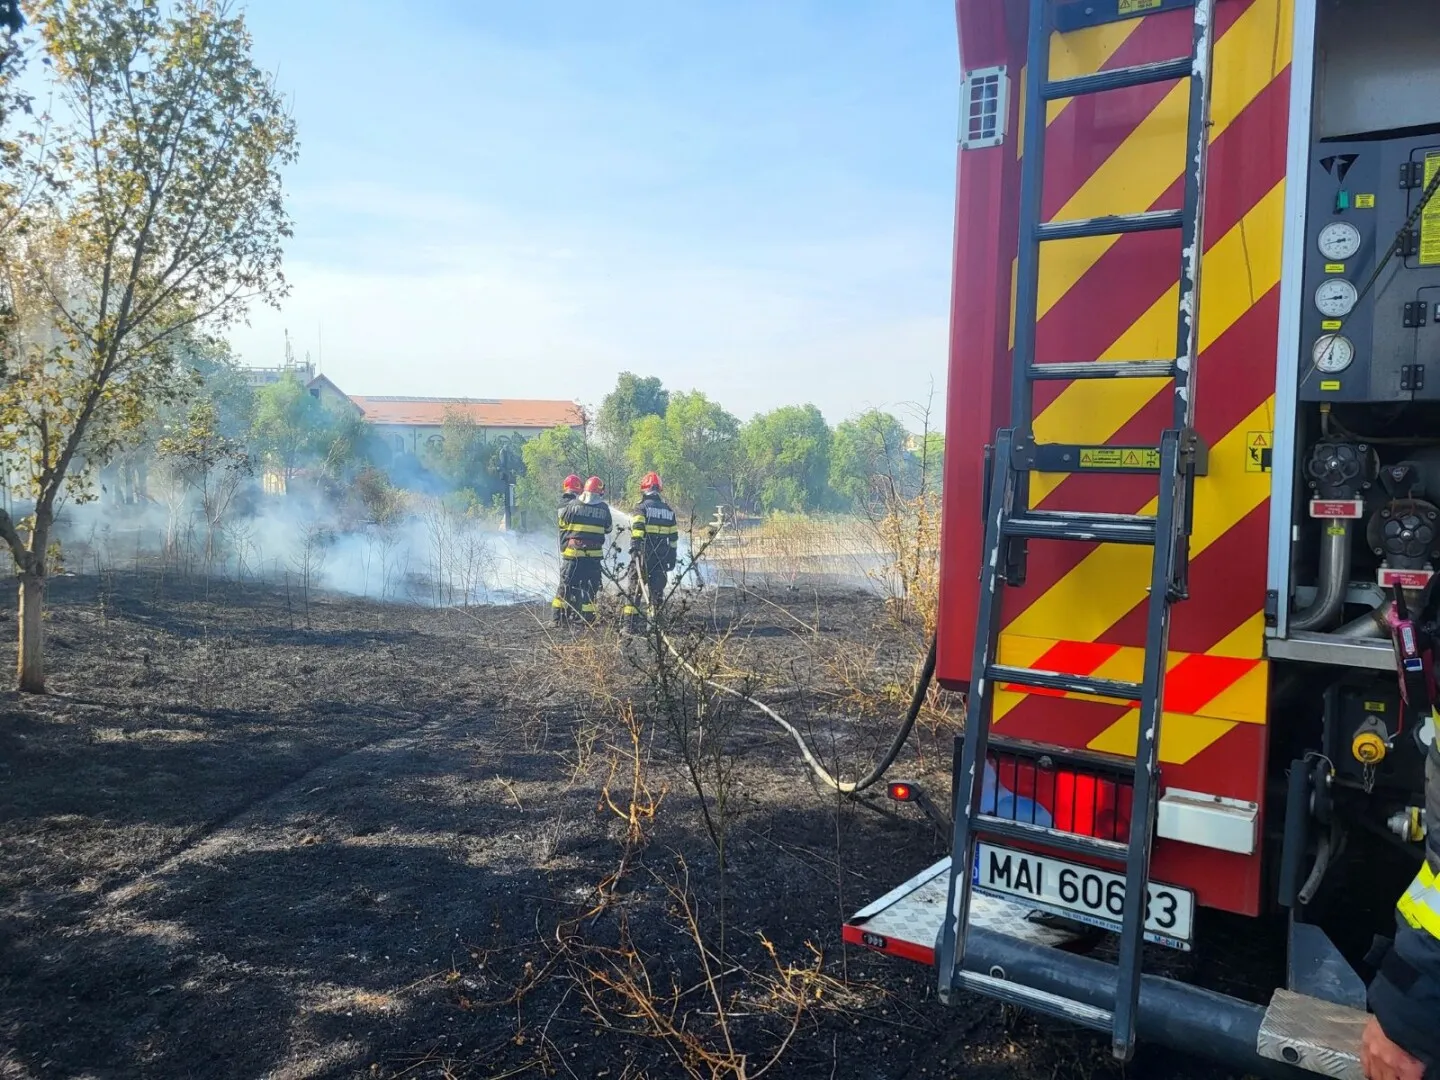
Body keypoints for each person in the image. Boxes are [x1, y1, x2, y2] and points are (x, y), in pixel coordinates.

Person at [624, 471, 678, 633]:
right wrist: (672, 556)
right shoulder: (669, 511)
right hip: (661, 558)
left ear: (644, 489)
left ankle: (629, 626)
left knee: (635, 590)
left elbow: (638, 531)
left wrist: (635, 549)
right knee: (656, 593)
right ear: (659, 490)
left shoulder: (641, 508)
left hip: (643, 557)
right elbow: (673, 537)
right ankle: (653, 626)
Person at [559, 475, 611, 625]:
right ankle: (588, 618)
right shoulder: (604, 508)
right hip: (593, 556)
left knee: (567, 584)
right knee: (590, 586)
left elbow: (563, 524)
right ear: (599, 493)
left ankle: (559, 618)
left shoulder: (573, 504)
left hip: (572, 554)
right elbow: (608, 528)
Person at [551, 474, 583, 624]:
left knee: (572, 583)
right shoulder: (568, 505)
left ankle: (569, 613)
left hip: (568, 547)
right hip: (570, 549)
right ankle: (557, 617)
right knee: (566, 583)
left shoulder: (563, 503)